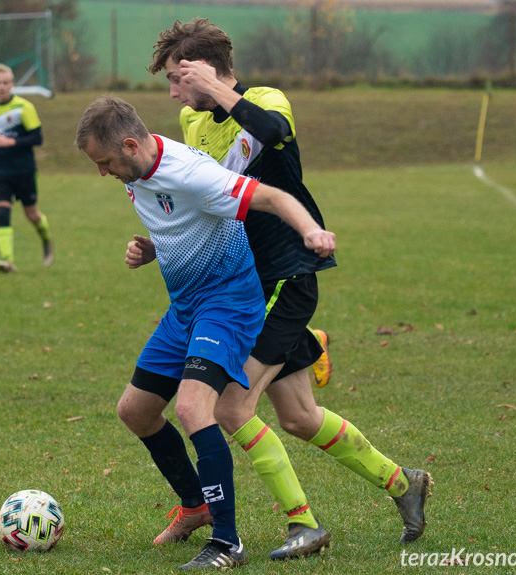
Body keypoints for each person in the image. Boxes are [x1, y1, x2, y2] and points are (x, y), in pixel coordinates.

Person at [141, 18, 431, 557]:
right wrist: (160, 243)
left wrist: (221, 92)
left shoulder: (269, 99)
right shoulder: (191, 120)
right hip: (243, 278)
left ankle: (304, 524)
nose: (175, 93)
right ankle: (403, 483)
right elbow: (209, 195)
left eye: (181, 80)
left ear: (208, 73)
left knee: (230, 409)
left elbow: (272, 134)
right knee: (298, 416)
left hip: (285, 273)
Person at [75, 95, 335, 570]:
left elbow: (272, 197)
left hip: (228, 303)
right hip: (185, 307)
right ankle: (194, 507)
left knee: (195, 408)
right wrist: (154, 250)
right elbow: (184, 220)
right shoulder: (139, 168)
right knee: (135, 411)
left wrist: (311, 232)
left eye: (105, 163)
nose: (102, 173)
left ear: (130, 146)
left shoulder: (191, 172)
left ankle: (227, 541)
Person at [0, 63, 53, 273]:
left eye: (5, 83)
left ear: (12, 84)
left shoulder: (24, 107)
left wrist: (12, 142)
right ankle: (6, 260)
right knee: (2, 212)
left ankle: (46, 238)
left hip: (23, 169)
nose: (1, 86)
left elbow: (37, 138)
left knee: (32, 214)